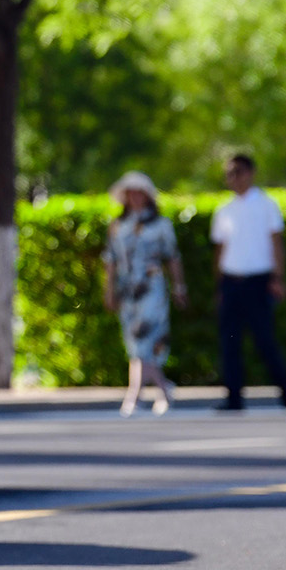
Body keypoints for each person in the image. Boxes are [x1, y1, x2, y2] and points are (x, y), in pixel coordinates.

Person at [211, 153, 286, 411]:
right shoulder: (224, 209)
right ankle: (234, 397)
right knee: (230, 342)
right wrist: (219, 285)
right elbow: (220, 249)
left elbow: (277, 243)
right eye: (229, 174)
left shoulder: (267, 205)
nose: (233, 178)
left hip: (258, 281)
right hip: (231, 282)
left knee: (264, 339)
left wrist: (278, 277)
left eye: (238, 172)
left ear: (250, 173)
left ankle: (285, 390)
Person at [103, 172, 185, 416]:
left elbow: (172, 257)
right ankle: (163, 389)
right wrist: (109, 290)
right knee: (134, 342)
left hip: (152, 288)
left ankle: (134, 395)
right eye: (131, 193)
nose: (135, 197)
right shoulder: (117, 226)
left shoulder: (161, 224)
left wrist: (180, 287)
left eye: (140, 192)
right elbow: (110, 261)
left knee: (145, 340)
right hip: (127, 290)